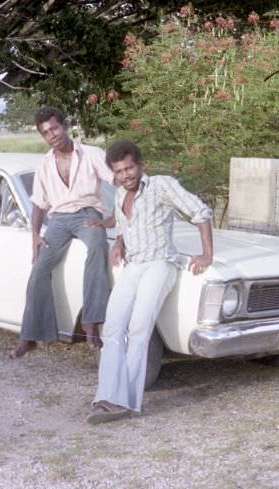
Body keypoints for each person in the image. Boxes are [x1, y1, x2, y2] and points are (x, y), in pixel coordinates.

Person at [87, 139, 214, 424]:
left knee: (138, 328)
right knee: (112, 327)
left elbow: (201, 212)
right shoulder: (119, 194)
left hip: (160, 264)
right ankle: (106, 396)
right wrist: (119, 243)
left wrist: (207, 254)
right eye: (119, 171)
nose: (125, 175)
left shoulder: (161, 185)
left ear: (141, 166)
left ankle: (128, 402)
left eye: (129, 168)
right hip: (133, 266)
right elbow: (122, 224)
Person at [10, 107, 114, 359]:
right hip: (57, 220)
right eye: (46, 132)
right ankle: (30, 336)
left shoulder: (91, 153)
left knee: (98, 245)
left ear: (65, 126)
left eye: (54, 128)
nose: (52, 135)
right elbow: (38, 204)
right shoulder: (44, 164)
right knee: (39, 268)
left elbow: (118, 181)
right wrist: (34, 235)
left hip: (88, 213)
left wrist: (114, 217)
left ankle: (91, 322)